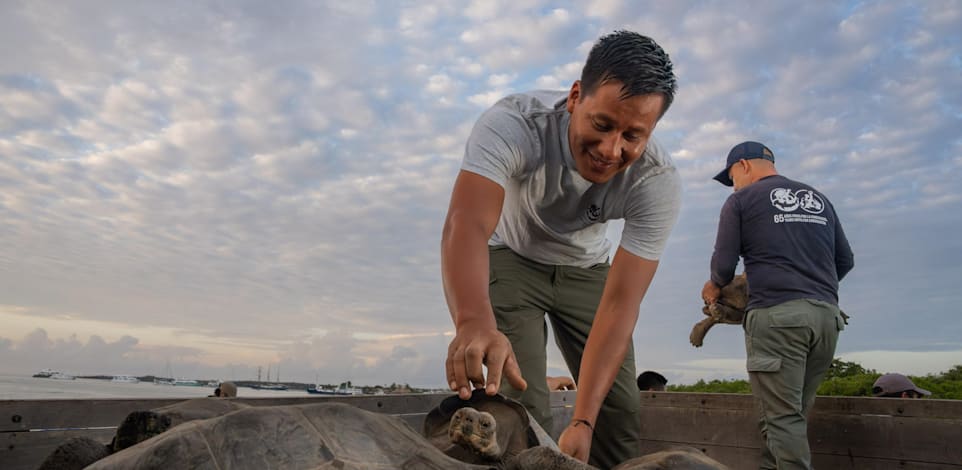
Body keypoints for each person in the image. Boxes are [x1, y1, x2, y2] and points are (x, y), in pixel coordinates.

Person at [442, 30, 680, 468]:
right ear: (574, 98)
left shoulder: (656, 181)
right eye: (602, 125)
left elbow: (621, 304)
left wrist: (583, 421)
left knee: (618, 410)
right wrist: (473, 322)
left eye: (633, 135)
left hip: (587, 269)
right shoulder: (515, 123)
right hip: (512, 256)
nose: (611, 150)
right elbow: (466, 223)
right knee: (519, 401)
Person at [702, 141, 854, 470]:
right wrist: (812, 287)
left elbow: (724, 265)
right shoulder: (818, 199)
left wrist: (713, 285)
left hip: (777, 319)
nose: (733, 185)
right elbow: (845, 261)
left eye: (732, 177)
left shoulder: (741, 200)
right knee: (793, 415)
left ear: (743, 165)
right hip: (826, 317)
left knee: (781, 420)